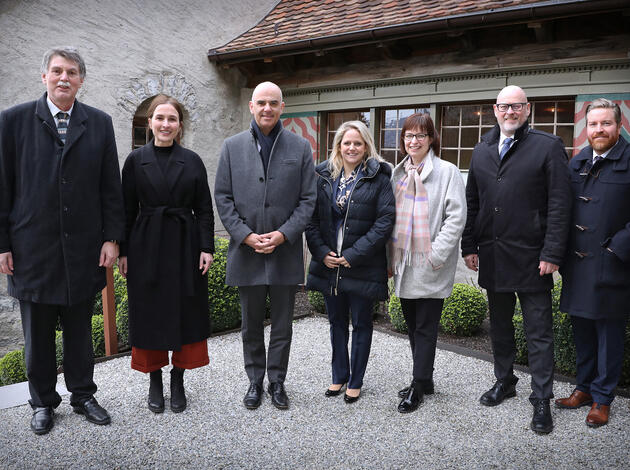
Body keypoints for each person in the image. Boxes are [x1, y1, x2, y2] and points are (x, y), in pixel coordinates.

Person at [0, 47, 124, 435]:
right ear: (44, 77)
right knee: (36, 336)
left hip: (84, 248)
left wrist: (112, 238)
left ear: (81, 80)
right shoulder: (13, 122)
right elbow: (2, 187)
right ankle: (42, 402)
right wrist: (2, 243)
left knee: (79, 332)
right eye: (56, 71)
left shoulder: (99, 124)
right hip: (31, 249)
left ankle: (83, 395)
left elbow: (110, 187)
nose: (64, 78)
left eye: (72, 72)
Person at [461, 85, 572, 434]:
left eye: (517, 106)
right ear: (495, 109)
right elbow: (473, 201)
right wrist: (470, 245)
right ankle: (505, 380)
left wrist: (552, 252)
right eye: (505, 106)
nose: (511, 112)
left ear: (527, 109)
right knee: (501, 325)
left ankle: (541, 396)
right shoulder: (480, 150)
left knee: (538, 331)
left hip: (532, 256)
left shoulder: (547, 146)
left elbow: (559, 203)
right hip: (493, 253)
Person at [214, 81, 317, 410]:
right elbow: (223, 198)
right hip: (246, 251)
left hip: (284, 251)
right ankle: (255, 381)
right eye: (261, 102)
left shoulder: (300, 148)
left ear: (282, 107)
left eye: (274, 102)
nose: (267, 108)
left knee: (284, 325)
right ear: (251, 106)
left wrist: (284, 234)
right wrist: (244, 235)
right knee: (251, 324)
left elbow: (308, 200)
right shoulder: (231, 147)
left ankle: (278, 382)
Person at [118, 94, 214, 414]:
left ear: (179, 126)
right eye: (160, 118)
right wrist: (124, 252)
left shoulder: (193, 160)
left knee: (185, 310)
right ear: (150, 123)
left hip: (185, 244)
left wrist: (206, 247)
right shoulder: (135, 161)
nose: (166, 124)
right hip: (146, 244)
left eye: (172, 119)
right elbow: (126, 210)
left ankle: (178, 378)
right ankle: (155, 379)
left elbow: (203, 209)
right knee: (149, 312)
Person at [306, 121, 395, 404]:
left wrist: (353, 255)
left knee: (361, 322)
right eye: (347, 143)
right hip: (330, 264)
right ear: (339, 146)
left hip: (361, 263)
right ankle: (339, 375)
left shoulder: (378, 176)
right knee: (336, 323)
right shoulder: (322, 175)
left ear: (366, 145)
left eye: (358, 143)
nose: (352, 148)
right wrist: (321, 252)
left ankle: (356, 381)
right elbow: (312, 219)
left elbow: (385, 221)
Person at [554, 98, 630, 427]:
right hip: (578, 264)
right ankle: (583, 388)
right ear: (586, 128)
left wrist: (616, 250)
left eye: (606, 124)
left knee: (608, 335)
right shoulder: (577, 161)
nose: (599, 130)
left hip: (613, 263)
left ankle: (602, 398)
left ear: (619, 125)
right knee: (582, 330)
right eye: (594, 124)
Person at [390, 113, 466, 413]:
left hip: (430, 263)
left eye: (421, 135)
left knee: (425, 327)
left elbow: (456, 218)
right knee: (412, 325)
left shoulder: (447, 172)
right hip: (404, 263)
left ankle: (418, 385)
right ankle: (427, 378)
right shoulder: (397, 174)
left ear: (432, 138)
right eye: (409, 136)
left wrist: (436, 254)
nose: (414, 141)